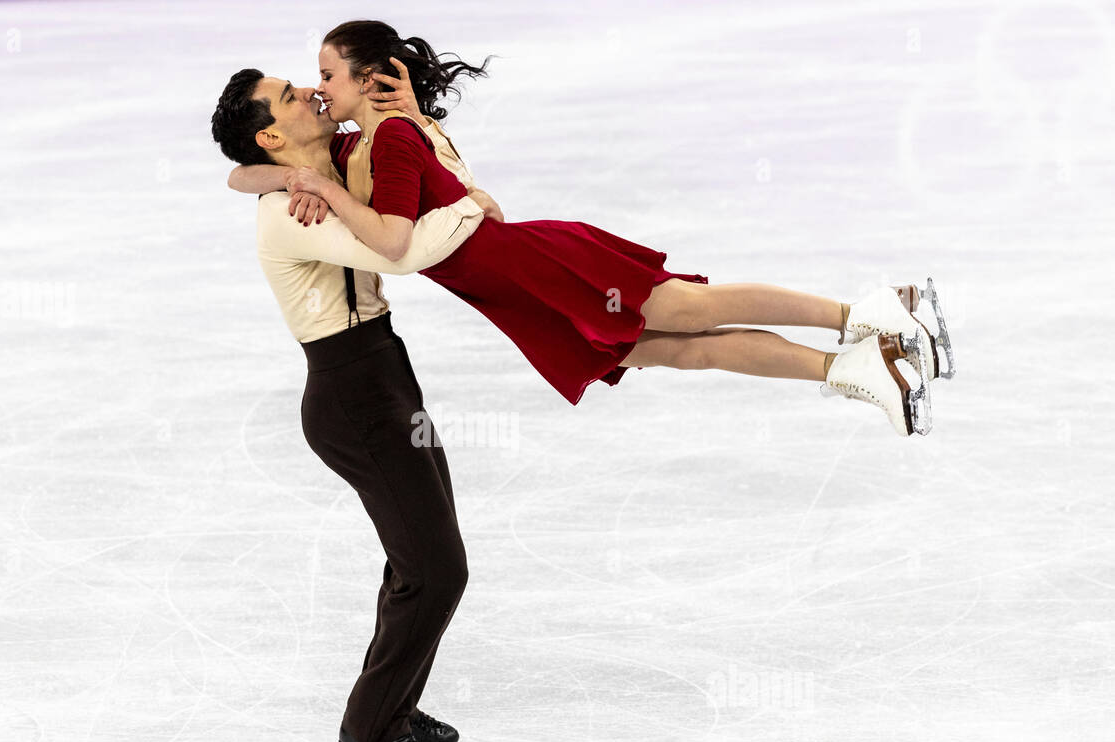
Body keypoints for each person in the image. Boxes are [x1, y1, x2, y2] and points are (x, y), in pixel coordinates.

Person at [272, 20, 955, 436]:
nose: (319, 87)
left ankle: (874, 310)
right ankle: (860, 369)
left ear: (368, 77)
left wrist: (321, 188)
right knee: (684, 351)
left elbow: (393, 240)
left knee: (692, 311)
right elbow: (246, 174)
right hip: (513, 292)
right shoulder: (360, 144)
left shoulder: (390, 138)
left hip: (528, 265)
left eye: (327, 74)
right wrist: (302, 178)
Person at [211, 68, 491, 742]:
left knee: (418, 559)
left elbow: (237, 173)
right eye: (289, 96)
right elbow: (399, 250)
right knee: (438, 568)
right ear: (271, 131)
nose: (310, 90)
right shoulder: (289, 211)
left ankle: (396, 704)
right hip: (352, 397)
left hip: (387, 371)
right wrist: (473, 208)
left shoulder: (319, 168)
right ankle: (367, 732)